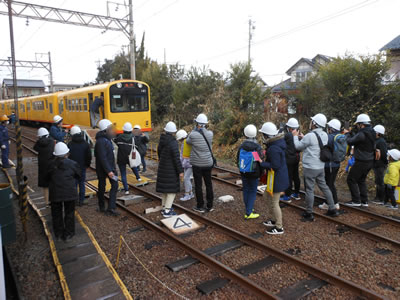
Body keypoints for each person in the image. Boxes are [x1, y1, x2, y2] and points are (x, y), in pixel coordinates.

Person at [293, 113, 339, 221]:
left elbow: (298, 147)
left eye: (312, 121)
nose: (310, 122)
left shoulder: (310, 136)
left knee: (309, 190)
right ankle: (332, 209)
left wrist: (295, 137)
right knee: (324, 187)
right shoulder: (325, 135)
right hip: (320, 167)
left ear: (314, 123)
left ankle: (309, 213)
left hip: (310, 167)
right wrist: (304, 138)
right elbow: (316, 143)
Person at [46, 142, 81, 242]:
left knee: (56, 214)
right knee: (69, 213)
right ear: (67, 153)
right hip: (69, 193)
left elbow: (46, 178)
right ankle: (69, 234)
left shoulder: (50, 165)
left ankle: (58, 234)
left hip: (55, 193)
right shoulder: (73, 164)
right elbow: (79, 175)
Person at [259, 122, 288, 234]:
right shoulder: (276, 144)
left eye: (263, 134)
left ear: (267, 136)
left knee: (274, 202)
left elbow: (275, 166)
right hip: (276, 178)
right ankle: (274, 220)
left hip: (277, 179)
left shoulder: (274, 148)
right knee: (266, 196)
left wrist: (262, 163)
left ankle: (279, 227)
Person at [343, 114, 376, 207]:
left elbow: (349, 141)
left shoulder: (362, 133)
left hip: (362, 161)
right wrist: (350, 134)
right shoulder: (372, 132)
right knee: (361, 180)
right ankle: (364, 201)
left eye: (358, 124)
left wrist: (346, 134)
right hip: (369, 161)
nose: (357, 126)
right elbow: (358, 139)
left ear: (361, 124)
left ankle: (356, 201)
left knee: (351, 179)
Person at [186, 113, 215, 213]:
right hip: (208, 163)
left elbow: (187, 142)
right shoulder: (210, 134)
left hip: (197, 164)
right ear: (206, 124)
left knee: (198, 185)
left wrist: (194, 130)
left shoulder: (193, 135)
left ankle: (200, 206)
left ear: (197, 123)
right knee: (208, 184)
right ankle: (210, 205)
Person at [155, 121, 183, 218]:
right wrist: (180, 171)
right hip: (171, 169)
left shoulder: (162, 140)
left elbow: (159, 153)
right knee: (171, 191)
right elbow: (176, 158)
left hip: (163, 167)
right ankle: (167, 211)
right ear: (174, 132)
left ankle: (164, 207)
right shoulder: (173, 143)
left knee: (165, 190)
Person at [237, 124, 263, 219]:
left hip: (243, 171)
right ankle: (249, 213)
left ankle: (248, 208)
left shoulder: (241, 146)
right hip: (254, 173)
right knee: (252, 191)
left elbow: (237, 159)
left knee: (246, 189)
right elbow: (260, 161)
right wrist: (261, 173)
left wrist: (241, 169)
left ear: (245, 134)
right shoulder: (257, 147)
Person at [94, 119, 119, 216]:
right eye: (110, 128)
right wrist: (109, 171)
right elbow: (102, 157)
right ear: (105, 130)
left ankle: (110, 207)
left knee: (111, 186)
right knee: (103, 187)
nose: (112, 130)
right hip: (105, 169)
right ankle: (104, 207)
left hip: (109, 168)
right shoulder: (101, 141)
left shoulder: (106, 139)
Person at [319, 119, 344, 210]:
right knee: (331, 183)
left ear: (331, 128)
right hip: (336, 164)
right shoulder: (340, 136)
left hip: (329, 164)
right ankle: (335, 202)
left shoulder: (329, 137)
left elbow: (322, 145)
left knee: (328, 184)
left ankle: (329, 203)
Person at [115, 122, 142, 195]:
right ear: (130, 130)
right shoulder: (133, 138)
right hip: (130, 156)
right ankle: (138, 177)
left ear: (123, 129)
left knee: (123, 173)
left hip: (121, 157)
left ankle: (126, 190)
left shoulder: (119, 137)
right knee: (133, 165)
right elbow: (136, 147)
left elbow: (116, 142)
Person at [68, 126, 92, 206]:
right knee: (82, 183)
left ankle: (74, 200)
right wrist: (87, 164)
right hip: (82, 167)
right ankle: (81, 201)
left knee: (74, 184)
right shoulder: (85, 144)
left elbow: (67, 156)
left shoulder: (70, 144)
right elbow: (89, 156)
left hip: (72, 168)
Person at [33, 128, 55, 205]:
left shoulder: (38, 144)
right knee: (52, 184)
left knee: (45, 186)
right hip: (51, 164)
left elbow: (34, 147)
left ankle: (46, 202)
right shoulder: (51, 142)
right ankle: (53, 200)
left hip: (42, 166)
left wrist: (38, 141)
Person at [283, 118, 301, 202]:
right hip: (296, 158)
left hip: (289, 159)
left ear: (290, 128)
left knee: (288, 177)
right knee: (296, 175)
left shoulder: (288, 135)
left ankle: (287, 195)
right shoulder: (299, 135)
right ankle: (296, 194)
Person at [371, 125, 388, 205]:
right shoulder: (377, 140)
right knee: (377, 181)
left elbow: (384, 154)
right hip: (377, 164)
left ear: (378, 133)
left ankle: (381, 199)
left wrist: (383, 162)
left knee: (380, 181)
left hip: (380, 164)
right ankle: (378, 197)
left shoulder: (381, 142)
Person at [176, 129, 194, 201]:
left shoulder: (185, 143)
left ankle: (187, 195)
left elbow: (182, 155)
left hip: (189, 163)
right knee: (188, 178)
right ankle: (190, 193)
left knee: (186, 178)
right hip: (189, 163)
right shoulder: (188, 142)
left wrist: (180, 163)